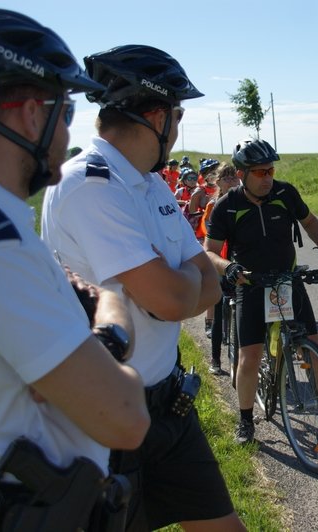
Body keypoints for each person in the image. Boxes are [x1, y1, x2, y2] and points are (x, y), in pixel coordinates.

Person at [0, 9, 149, 530]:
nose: (66, 133)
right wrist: (111, 307)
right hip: (36, 510)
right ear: (31, 116)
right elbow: (126, 418)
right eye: (65, 113)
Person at [41, 44, 244, 531]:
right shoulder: (90, 185)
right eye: (178, 115)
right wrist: (181, 284)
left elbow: (205, 281)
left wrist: (177, 283)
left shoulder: (150, 183)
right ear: (157, 116)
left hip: (167, 404)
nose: (177, 128)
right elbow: (173, 299)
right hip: (103, 416)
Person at [204, 138, 318, 444]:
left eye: (270, 170)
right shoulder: (226, 206)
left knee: (313, 346)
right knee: (250, 356)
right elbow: (210, 252)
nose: (268, 177)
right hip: (250, 285)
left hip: (286, 280)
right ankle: (245, 420)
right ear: (241, 174)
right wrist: (229, 268)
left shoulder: (285, 193)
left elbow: (309, 221)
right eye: (260, 172)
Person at [201, 162, 240, 372]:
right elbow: (209, 234)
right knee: (217, 308)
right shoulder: (213, 205)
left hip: (238, 260)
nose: (232, 181)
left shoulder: (245, 201)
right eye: (227, 178)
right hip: (220, 260)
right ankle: (215, 359)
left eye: (234, 177)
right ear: (218, 182)